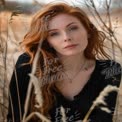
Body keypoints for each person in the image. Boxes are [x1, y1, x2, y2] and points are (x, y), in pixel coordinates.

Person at [7, 2, 121, 122]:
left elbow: (103, 119)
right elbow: (15, 117)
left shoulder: (110, 69)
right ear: (48, 41)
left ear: (88, 31)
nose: (66, 37)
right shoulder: (29, 64)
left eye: (73, 28)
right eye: (54, 33)